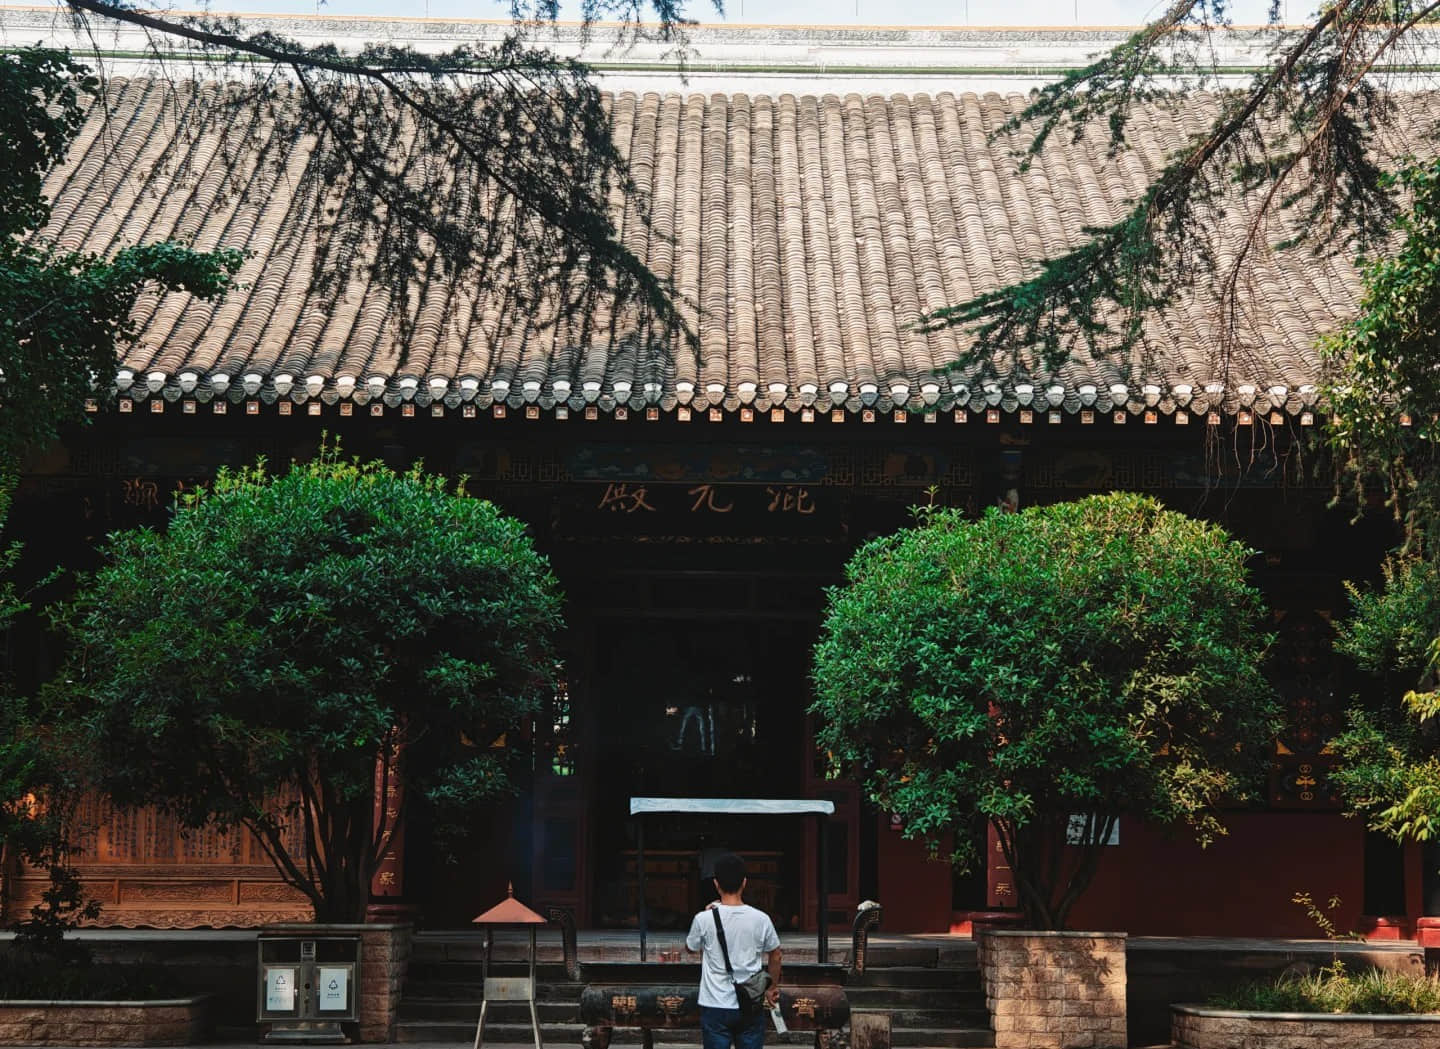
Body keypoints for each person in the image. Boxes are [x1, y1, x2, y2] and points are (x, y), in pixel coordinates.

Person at [685, 851, 782, 1049]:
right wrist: (771, 988)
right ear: (744, 883)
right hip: (750, 1001)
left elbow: (690, 948)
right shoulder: (761, 919)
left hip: (714, 1003)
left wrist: (707, 916)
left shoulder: (703, 919)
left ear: (716, 884)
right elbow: (776, 954)